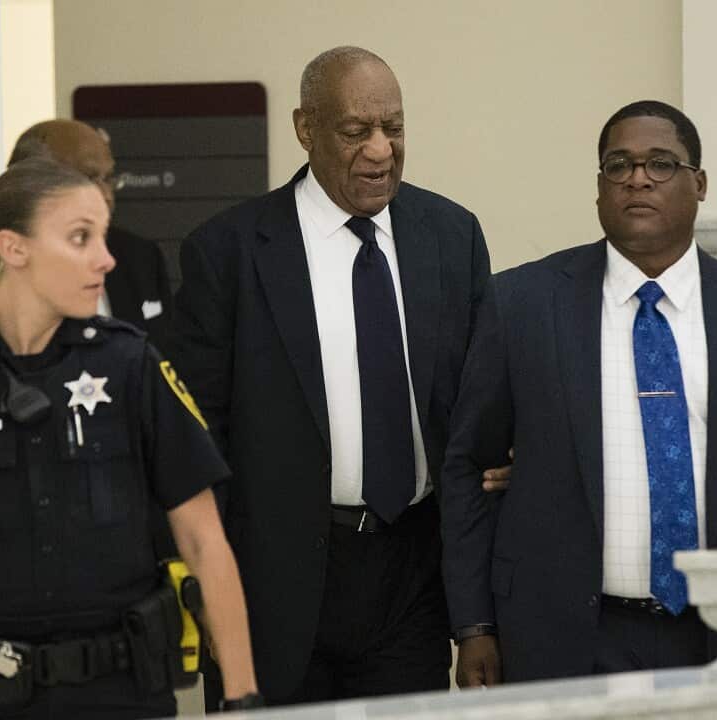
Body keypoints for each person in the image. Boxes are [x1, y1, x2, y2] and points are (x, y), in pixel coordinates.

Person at [441, 100, 717, 686]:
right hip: (563, 635)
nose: (637, 178)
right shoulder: (521, 306)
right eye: (619, 165)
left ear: (700, 183)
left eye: (661, 163)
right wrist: (474, 625)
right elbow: (469, 469)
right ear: (599, 188)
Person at [0, 157, 260, 719]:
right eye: (81, 238)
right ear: (14, 248)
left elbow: (204, 542)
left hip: (119, 697)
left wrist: (243, 698)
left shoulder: (132, 366)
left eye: (103, 237)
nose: (106, 258)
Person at [170, 46, 491, 705]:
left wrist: (477, 615)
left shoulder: (452, 237)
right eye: (355, 131)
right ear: (305, 128)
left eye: (393, 128)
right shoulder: (228, 252)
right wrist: (215, 596)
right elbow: (199, 444)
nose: (380, 150)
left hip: (412, 576)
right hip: (277, 584)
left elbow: (477, 414)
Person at [9, 119, 174, 351]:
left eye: (107, 179)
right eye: (87, 179)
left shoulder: (140, 256)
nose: (105, 195)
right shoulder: (5, 263)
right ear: (32, 185)